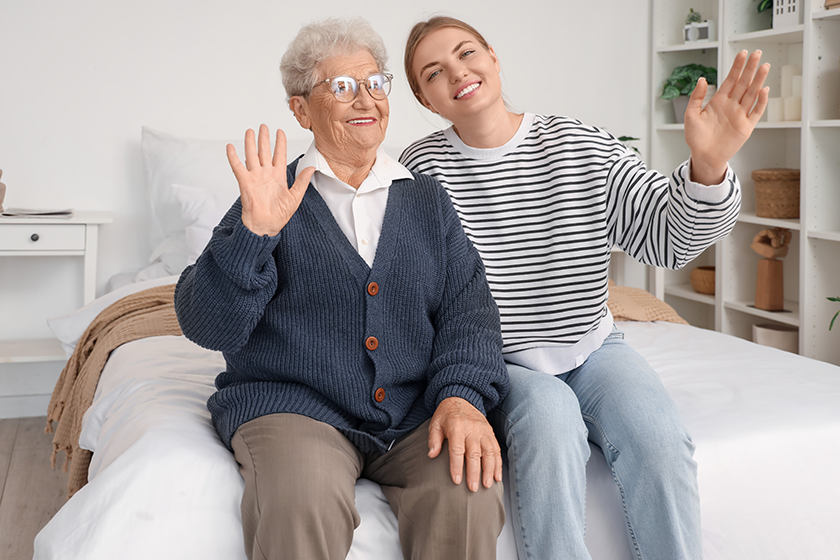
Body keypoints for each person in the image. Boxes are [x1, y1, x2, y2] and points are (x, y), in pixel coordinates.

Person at [400, 16, 770, 560]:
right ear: (426, 99)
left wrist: (709, 166)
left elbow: (664, 238)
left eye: (467, 53)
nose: (458, 72)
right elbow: (421, 293)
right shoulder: (421, 169)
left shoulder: (579, 143)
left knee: (661, 443)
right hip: (501, 366)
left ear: (494, 58)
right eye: (434, 72)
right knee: (551, 426)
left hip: (593, 348)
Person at [174, 17, 509, 560]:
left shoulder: (427, 200)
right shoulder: (271, 198)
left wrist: (461, 398)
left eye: (376, 83)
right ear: (301, 108)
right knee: (302, 495)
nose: (366, 100)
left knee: (467, 490)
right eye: (343, 87)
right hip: (293, 408)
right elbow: (207, 324)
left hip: (410, 414)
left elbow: (469, 315)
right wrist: (254, 235)